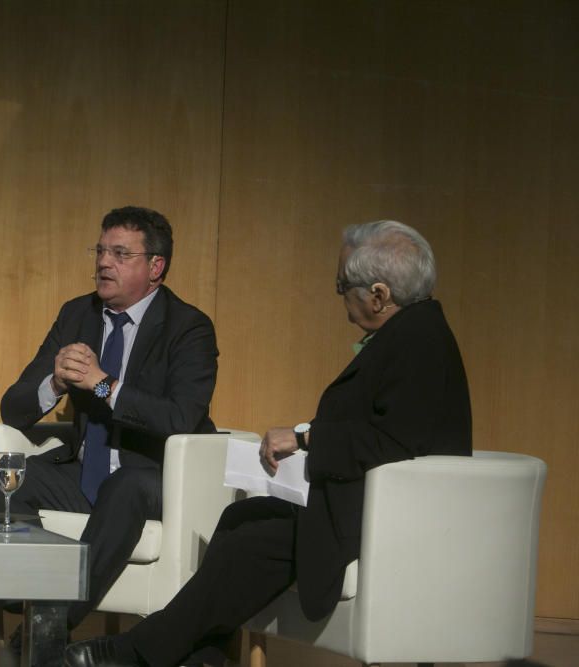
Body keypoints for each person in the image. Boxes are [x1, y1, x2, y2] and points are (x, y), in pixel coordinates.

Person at [63, 220, 473, 666]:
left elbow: (394, 441)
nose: (340, 299)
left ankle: (137, 653)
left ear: (379, 294)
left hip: (391, 522)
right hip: (375, 506)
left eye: (342, 286)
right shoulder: (413, 332)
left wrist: (305, 438)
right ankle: (202, 659)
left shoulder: (417, 343)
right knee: (242, 516)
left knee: (252, 539)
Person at [0, 206, 219, 638]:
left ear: (156, 267)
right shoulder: (77, 314)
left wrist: (102, 385)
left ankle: (49, 629)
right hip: (83, 473)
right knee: (3, 477)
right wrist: (56, 383)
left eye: (119, 253)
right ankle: (31, 594)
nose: (103, 262)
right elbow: (14, 407)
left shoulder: (188, 327)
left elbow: (180, 417)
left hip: (154, 478)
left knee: (126, 487)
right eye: (100, 251)